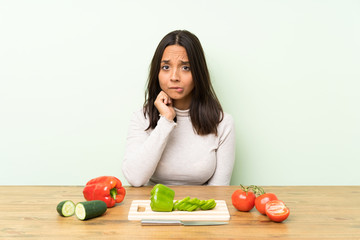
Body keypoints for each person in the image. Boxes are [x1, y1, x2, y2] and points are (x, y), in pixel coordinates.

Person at [122, 30, 235, 187]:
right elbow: (135, 178)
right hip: (152, 208)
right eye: (166, 67)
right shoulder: (141, 118)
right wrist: (166, 121)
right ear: (157, 72)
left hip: (200, 209)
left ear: (198, 73)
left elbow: (219, 191)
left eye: (186, 68)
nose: (174, 77)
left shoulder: (223, 123)